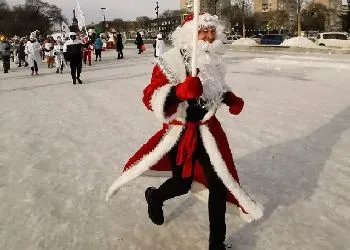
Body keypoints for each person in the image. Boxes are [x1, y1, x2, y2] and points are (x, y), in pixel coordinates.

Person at [106, 13, 263, 250]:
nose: (209, 37)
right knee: (181, 183)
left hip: (209, 133)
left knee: (218, 184)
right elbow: (150, 96)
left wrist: (230, 98)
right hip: (181, 134)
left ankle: (216, 244)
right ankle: (155, 197)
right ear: (189, 33)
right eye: (203, 31)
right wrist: (178, 92)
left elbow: (217, 88)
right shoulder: (170, 61)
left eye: (212, 31)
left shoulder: (214, 61)